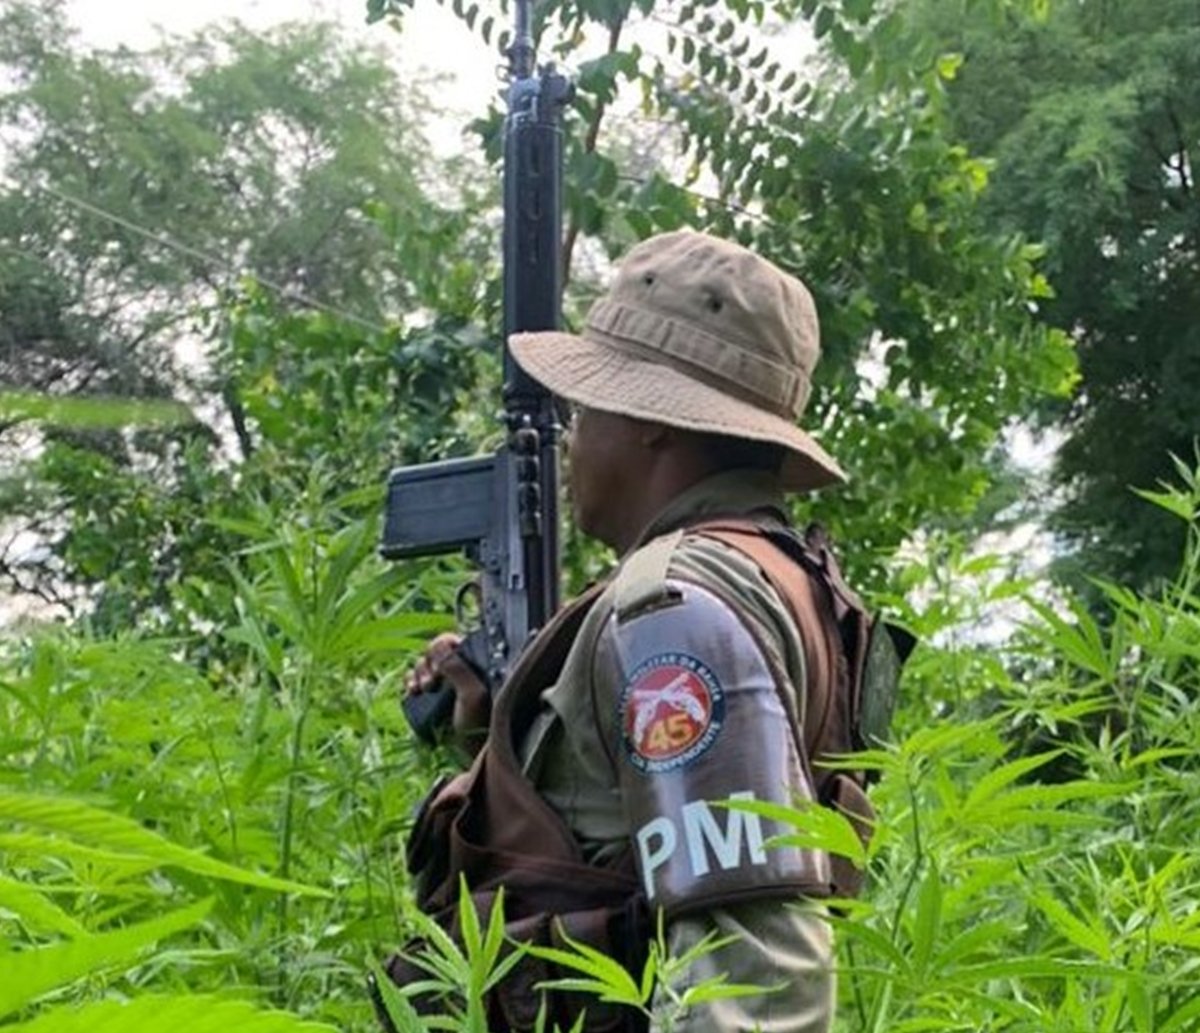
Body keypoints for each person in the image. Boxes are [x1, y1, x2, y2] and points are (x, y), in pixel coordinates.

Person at [388, 230, 876, 1033]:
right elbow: (627, 854)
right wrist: (500, 754)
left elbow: (753, 972)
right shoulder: (778, 574)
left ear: (652, 419)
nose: (575, 438)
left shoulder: (673, 605)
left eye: (586, 407)